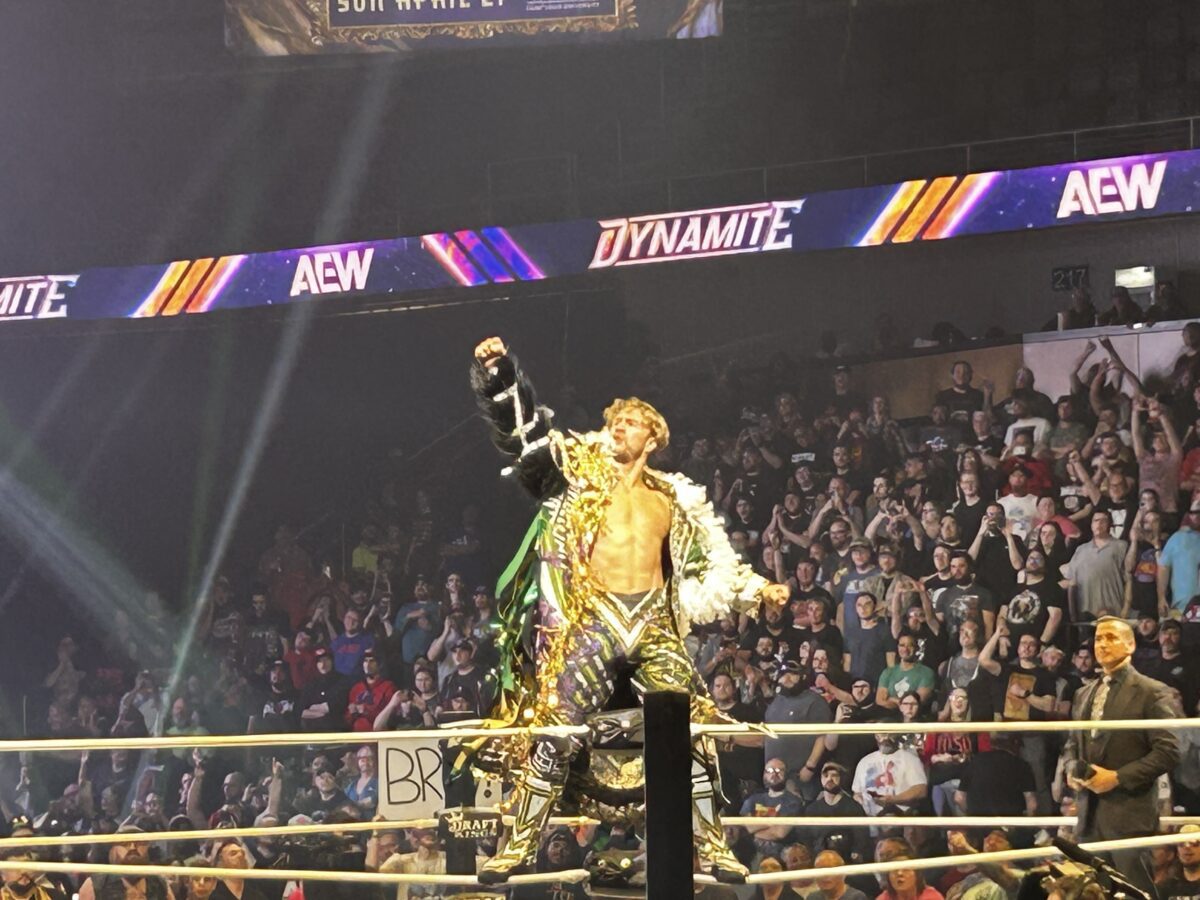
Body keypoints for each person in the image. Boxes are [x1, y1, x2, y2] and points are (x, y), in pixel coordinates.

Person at [469, 336, 790, 883]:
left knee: (692, 731)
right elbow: (525, 438)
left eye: (630, 422)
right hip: (593, 618)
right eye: (613, 421)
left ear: (653, 437)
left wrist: (760, 590)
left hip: (652, 623)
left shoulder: (674, 498)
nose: (618, 428)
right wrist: (499, 373)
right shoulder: (578, 476)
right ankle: (517, 848)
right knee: (554, 730)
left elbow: (715, 565)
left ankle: (712, 847)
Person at [1065, 616, 1181, 893]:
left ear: (1130, 645)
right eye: (1098, 639)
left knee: (1133, 893)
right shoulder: (1083, 693)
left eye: (1110, 638)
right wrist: (1072, 768)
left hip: (1130, 814)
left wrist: (1117, 778)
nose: (1102, 644)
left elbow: (1169, 751)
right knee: (1091, 893)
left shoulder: (1152, 692)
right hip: (1088, 816)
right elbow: (1071, 743)